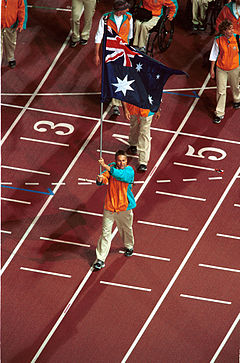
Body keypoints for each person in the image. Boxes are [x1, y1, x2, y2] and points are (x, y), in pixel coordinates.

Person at [93, 150, 136, 270]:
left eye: (124, 161)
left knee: (126, 228)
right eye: (119, 160)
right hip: (110, 207)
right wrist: (100, 179)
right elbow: (104, 178)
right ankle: (100, 259)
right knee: (105, 234)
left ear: (126, 161)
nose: (121, 163)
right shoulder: (111, 168)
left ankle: (129, 246)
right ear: (115, 160)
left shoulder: (129, 171)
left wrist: (105, 166)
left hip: (124, 207)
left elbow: (121, 176)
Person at [94, 0, 133, 116]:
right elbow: (99, 35)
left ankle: (116, 104)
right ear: (119, 11)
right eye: (126, 9)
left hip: (122, 52)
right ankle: (107, 94)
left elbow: (129, 36)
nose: (128, 10)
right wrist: (96, 54)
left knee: (120, 76)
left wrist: (128, 52)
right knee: (109, 74)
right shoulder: (105, 18)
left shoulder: (129, 18)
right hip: (109, 52)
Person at [209, 19, 240, 124]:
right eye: (229, 29)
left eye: (232, 28)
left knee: (235, 86)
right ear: (224, 31)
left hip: (235, 68)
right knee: (221, 91)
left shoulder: (237, 38)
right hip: (221, 69)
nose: (232, 30)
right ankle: (219, 113)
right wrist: (211, 70)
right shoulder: (217, 40)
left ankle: (237, 99)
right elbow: (213, 55)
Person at [122, 102, 161, 172]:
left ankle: (143, 162)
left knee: (144, 133)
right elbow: (124, 94)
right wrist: (125, 109)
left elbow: (157, 94)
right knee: (134, 126)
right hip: (133, 107)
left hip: (147, 109)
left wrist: (157, 109)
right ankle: (133, 144)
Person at [1, 0, 28, 68]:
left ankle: (10, 57)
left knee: (11, 43)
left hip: (11, 25)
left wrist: (22, 23)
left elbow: (22, 8)